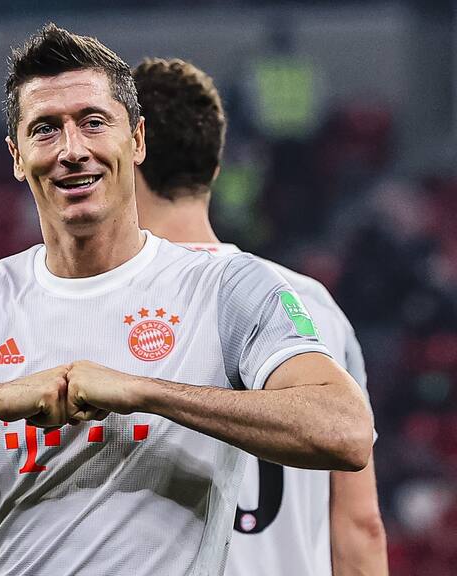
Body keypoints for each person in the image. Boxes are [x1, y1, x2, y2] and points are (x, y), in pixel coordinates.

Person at [0, 24, 373, 576]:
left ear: (138, 139)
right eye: (45, 130)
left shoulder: (227, 288)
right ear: (15, 154)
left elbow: (344, 430)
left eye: (94, 123)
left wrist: (145, 392)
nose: (72, 150)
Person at [132, 57, 388, 576]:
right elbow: (360, 527)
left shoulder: (104, 308)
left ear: (123, 158)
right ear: (216, 167)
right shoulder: (314, 304)